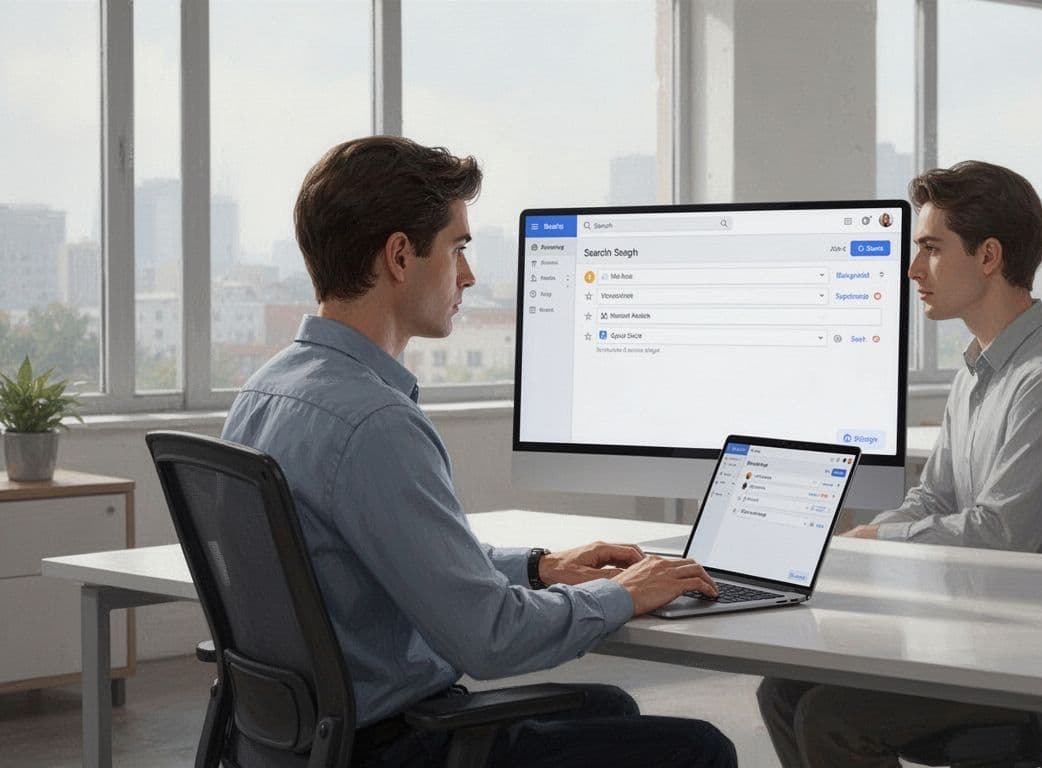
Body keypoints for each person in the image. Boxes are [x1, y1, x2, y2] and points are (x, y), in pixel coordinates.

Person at [222, 136, 736, 768]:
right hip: (393, 747)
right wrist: (625, 593)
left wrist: (539, 567)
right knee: (700, 751)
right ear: (401, 256)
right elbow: (490, 640)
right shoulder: (376, 423)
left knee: (606, 707)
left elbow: (409, 555)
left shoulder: (266, 390)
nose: (468, 275)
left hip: (296, 743)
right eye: (458, 247)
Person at [757, 160, 1042, 767]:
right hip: (986, 629)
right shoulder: (980, 367)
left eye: (930, 249)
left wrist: (881, 540)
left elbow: (999, 536)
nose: (912, 270)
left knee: (832, 718)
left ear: (988, 257)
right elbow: (936, 497)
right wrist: (862, 539)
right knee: (784, 691)